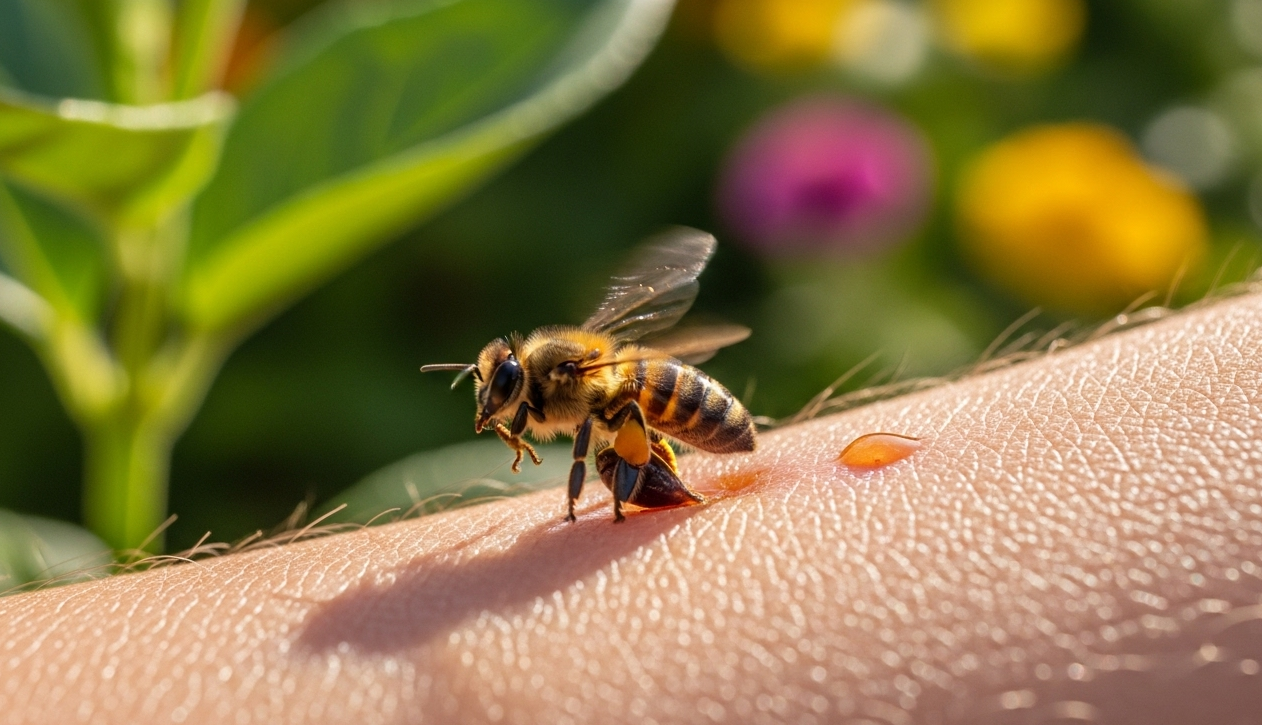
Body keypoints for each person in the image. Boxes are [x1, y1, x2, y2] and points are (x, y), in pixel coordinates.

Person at [2, 289, 1260, 724]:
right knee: (620, 428)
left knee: (621, 429)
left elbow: (605, 401)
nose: (498, 403)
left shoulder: (574, 385)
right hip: (653, 407)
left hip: (667, 410)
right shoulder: (561, 377)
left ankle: (629, 489)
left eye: (503, 395)